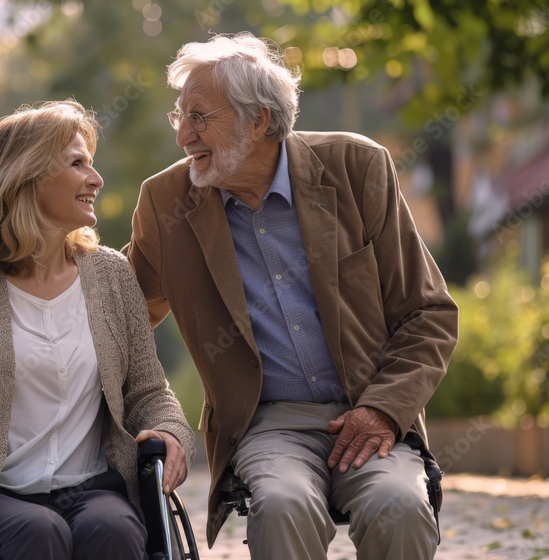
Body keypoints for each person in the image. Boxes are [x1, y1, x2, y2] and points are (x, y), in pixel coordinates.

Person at [125, 33, 458, 559]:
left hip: (370, 413)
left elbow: (428, 313)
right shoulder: (166, 202)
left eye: (199, 117)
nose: (184, 135)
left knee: (400, 505)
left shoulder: (357, 167)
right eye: (179, 116)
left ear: (257, 120)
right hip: (266, 424)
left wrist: (382, 410)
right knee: (281, 505)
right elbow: (119, 313)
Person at [0, 100, 195, 560]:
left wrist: (171, 431)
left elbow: (149, 392)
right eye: (77, 164)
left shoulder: (110, 275)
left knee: (116, 530)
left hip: (93, 488)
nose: (96, 178)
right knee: (38, 532)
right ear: (27, 178)